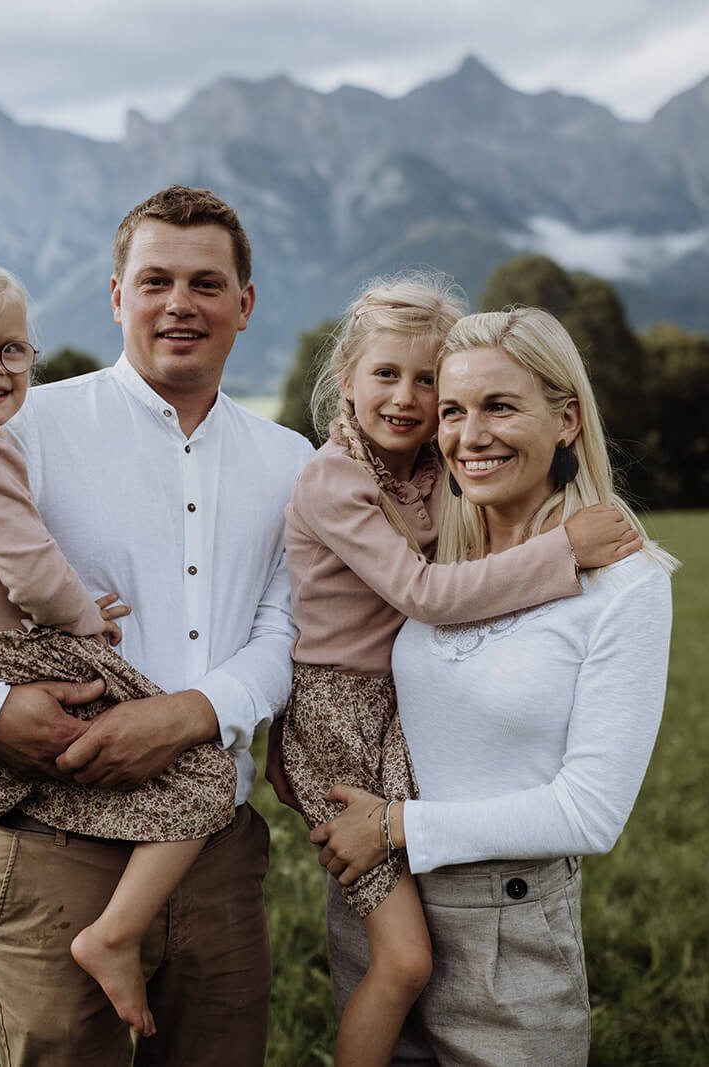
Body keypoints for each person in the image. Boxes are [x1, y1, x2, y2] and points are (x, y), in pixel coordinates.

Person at [0, 186, 314, 1066]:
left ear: (244, 304)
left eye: (207, 283)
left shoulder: (293, 461)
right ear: (116, 296)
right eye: (156, 280)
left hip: (210, 854)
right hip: (55, 840)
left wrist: (190, 714)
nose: (181, 303)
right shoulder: (15, 422)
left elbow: (286, 630)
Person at [268, 277, 641, 1067]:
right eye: (454, 412)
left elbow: (592, 813)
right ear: (346, 379)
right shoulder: (394, 510)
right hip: (364, 810)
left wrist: (398, 825)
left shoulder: (624, 583)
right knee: (394, 971)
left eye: (492, 404)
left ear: (567, 417)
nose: (463, 431)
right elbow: (423, 598)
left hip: (500, 916)